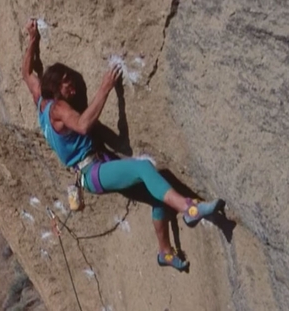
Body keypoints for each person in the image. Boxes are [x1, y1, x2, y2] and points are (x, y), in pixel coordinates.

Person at [22, 19, 221, 271]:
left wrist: (33, 40)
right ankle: (189, 209)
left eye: (70, 79)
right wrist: (105, 88)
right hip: (93, 171)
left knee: (158, 196)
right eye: (65, 82)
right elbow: (83, 125)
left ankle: (165, 253)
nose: (71, 85)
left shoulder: (41, 101)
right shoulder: (59, 109)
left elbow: (26, 72)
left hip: (96, 170)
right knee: (144, 169)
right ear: (55, 89)